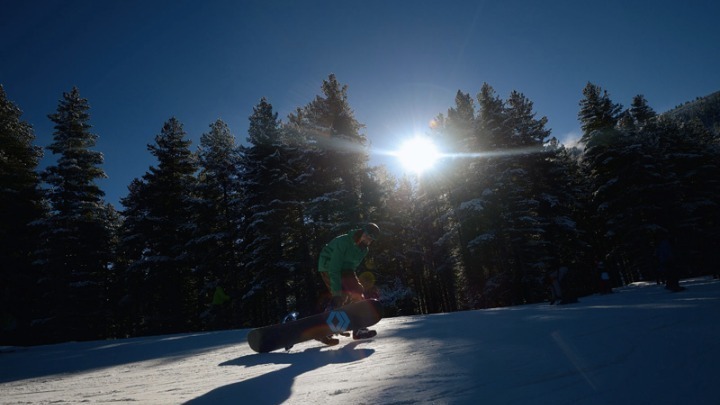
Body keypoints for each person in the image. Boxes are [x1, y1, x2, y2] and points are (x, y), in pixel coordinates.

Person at [316, 223, 380, 344]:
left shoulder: (364, 250)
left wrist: (355, 285)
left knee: (357, 292)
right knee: (339, 297)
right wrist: (336, 293)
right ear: (362, 232)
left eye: (371, 239)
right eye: (367, 235)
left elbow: (351, 267)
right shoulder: (344, 242)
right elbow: (334, 269)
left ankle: (359, 329)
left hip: (345, 268)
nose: (367, 239)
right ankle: (323, 331)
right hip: (328, 266)